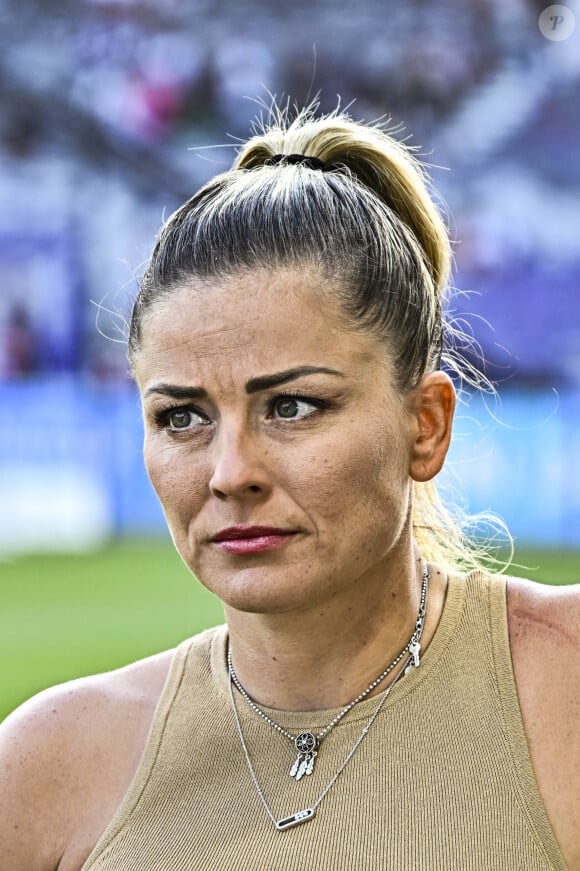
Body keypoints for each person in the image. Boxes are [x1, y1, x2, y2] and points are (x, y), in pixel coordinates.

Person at [0, 104, 578, 871]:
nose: (231, 471)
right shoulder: (47, 768)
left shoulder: (562, 685)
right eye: (182, 416)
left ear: (427, 425)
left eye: (292, 406)